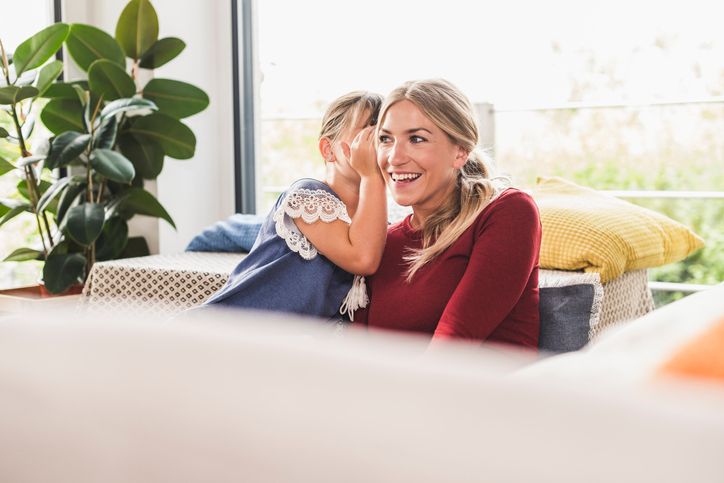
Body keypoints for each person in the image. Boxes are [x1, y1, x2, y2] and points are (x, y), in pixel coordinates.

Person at [358, 79, 541, 349]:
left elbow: (454, 343)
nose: (394, 158)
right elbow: (356, 351)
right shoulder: (381, 244)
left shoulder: (508, 212)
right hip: (392, 388)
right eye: (385, 139)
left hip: (479, 389)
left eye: (416, 139)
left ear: (460, 152)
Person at [203, 91, 387, 321]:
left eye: (385, 137)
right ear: (328, 150)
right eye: (368, 133)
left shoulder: (377, 222)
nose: (378, 145)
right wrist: (371, 175)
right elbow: (363, 260)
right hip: (221, 327)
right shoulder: (308, 196)